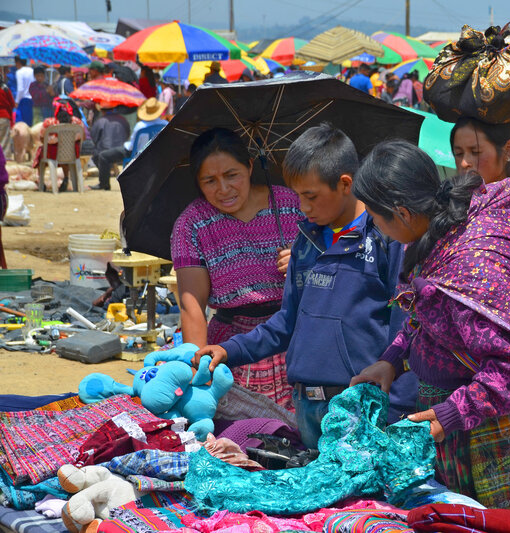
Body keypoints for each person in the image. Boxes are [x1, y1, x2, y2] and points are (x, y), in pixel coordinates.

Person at [350, 139, 510, 518]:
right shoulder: (441, 237)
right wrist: (392, 360)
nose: (374, 228)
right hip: (450, 422)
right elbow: (429, 320)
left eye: (376, 219)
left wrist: (450, 414)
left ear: (403, 213)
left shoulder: (468, 268)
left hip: (486, 435)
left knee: (492, 524)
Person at [194, 123, 418, 448]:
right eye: (298, 195)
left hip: (363, 408)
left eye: (310, 196)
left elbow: (405, 329)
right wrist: (229, 350)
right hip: (306, 406)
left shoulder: (385, 238)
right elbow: (287, 322)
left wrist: (396, 410)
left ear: (344, 184)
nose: (303, 207)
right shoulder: (306, 241)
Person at [170, 127, 303, 411]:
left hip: (294, 337)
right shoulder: (191, 224)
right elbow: (192, 305)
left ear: (251, 166)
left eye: (232, 175)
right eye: (210, 180)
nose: (223, 189)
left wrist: (304, 263)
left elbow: (332, 269)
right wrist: (200, 369)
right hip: (231, 350)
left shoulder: (294, 205)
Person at [91, 97, 167, 190]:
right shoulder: (165, 124)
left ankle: (104, 184)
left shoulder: (140, 126)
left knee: (103, 156)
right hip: (156, 153)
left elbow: (131, 146)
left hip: (137, 153)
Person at [33, 99, 84, 192]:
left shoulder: (49, 123)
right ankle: (66, 178)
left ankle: (41, 181)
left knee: (41, 150)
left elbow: (41, 138)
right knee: (66, 152)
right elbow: (82, 137)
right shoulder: (77, 122)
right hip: (72, 155)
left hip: (52, 155)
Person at [89, 106, 131, 174]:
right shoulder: (123, 119)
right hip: (122, 151)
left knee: (96, 153)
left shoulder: (100, 121)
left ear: (102, 111)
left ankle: (105, 178)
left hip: (104, 151)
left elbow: (94, 137)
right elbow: (128, 134)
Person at [14, 56, 34, 126]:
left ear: (18, 62)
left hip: (23, 101)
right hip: (32, 100)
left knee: (22, 125)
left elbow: (20, 89)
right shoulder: (32, 70)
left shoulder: (19, 72)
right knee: (30, 123)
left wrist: (17, 101)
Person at [0, 76, 15, 155]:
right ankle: (4, 157)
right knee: (4, 139)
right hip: (3, 117)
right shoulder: (5, 89)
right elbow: (12, 104)